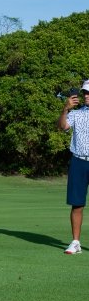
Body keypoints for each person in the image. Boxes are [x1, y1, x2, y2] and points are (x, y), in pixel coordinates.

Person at [58, 79, 89, 254]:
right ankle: (76, 242)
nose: (87, 96)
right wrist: (65, 109)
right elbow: (62, 127)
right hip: (78, 161)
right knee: (77, 204)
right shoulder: (76, 114)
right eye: (85, 93)